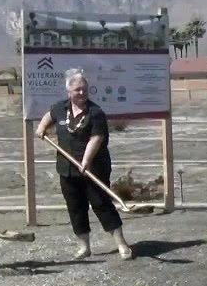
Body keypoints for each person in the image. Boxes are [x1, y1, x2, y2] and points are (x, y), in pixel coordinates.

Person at [35, 68, 134, 260]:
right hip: (67, 168)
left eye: (84, 89)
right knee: (75, 207)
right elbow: (49, 115)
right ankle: (84, 246)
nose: (82, 93)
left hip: (93, 168)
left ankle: (122, 244)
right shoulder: (60, 108)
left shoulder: (95, 113)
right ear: (69, 92)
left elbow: (96, 139)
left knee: (101, 204)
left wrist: (86, 161)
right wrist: (41, 127)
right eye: (77, 90)